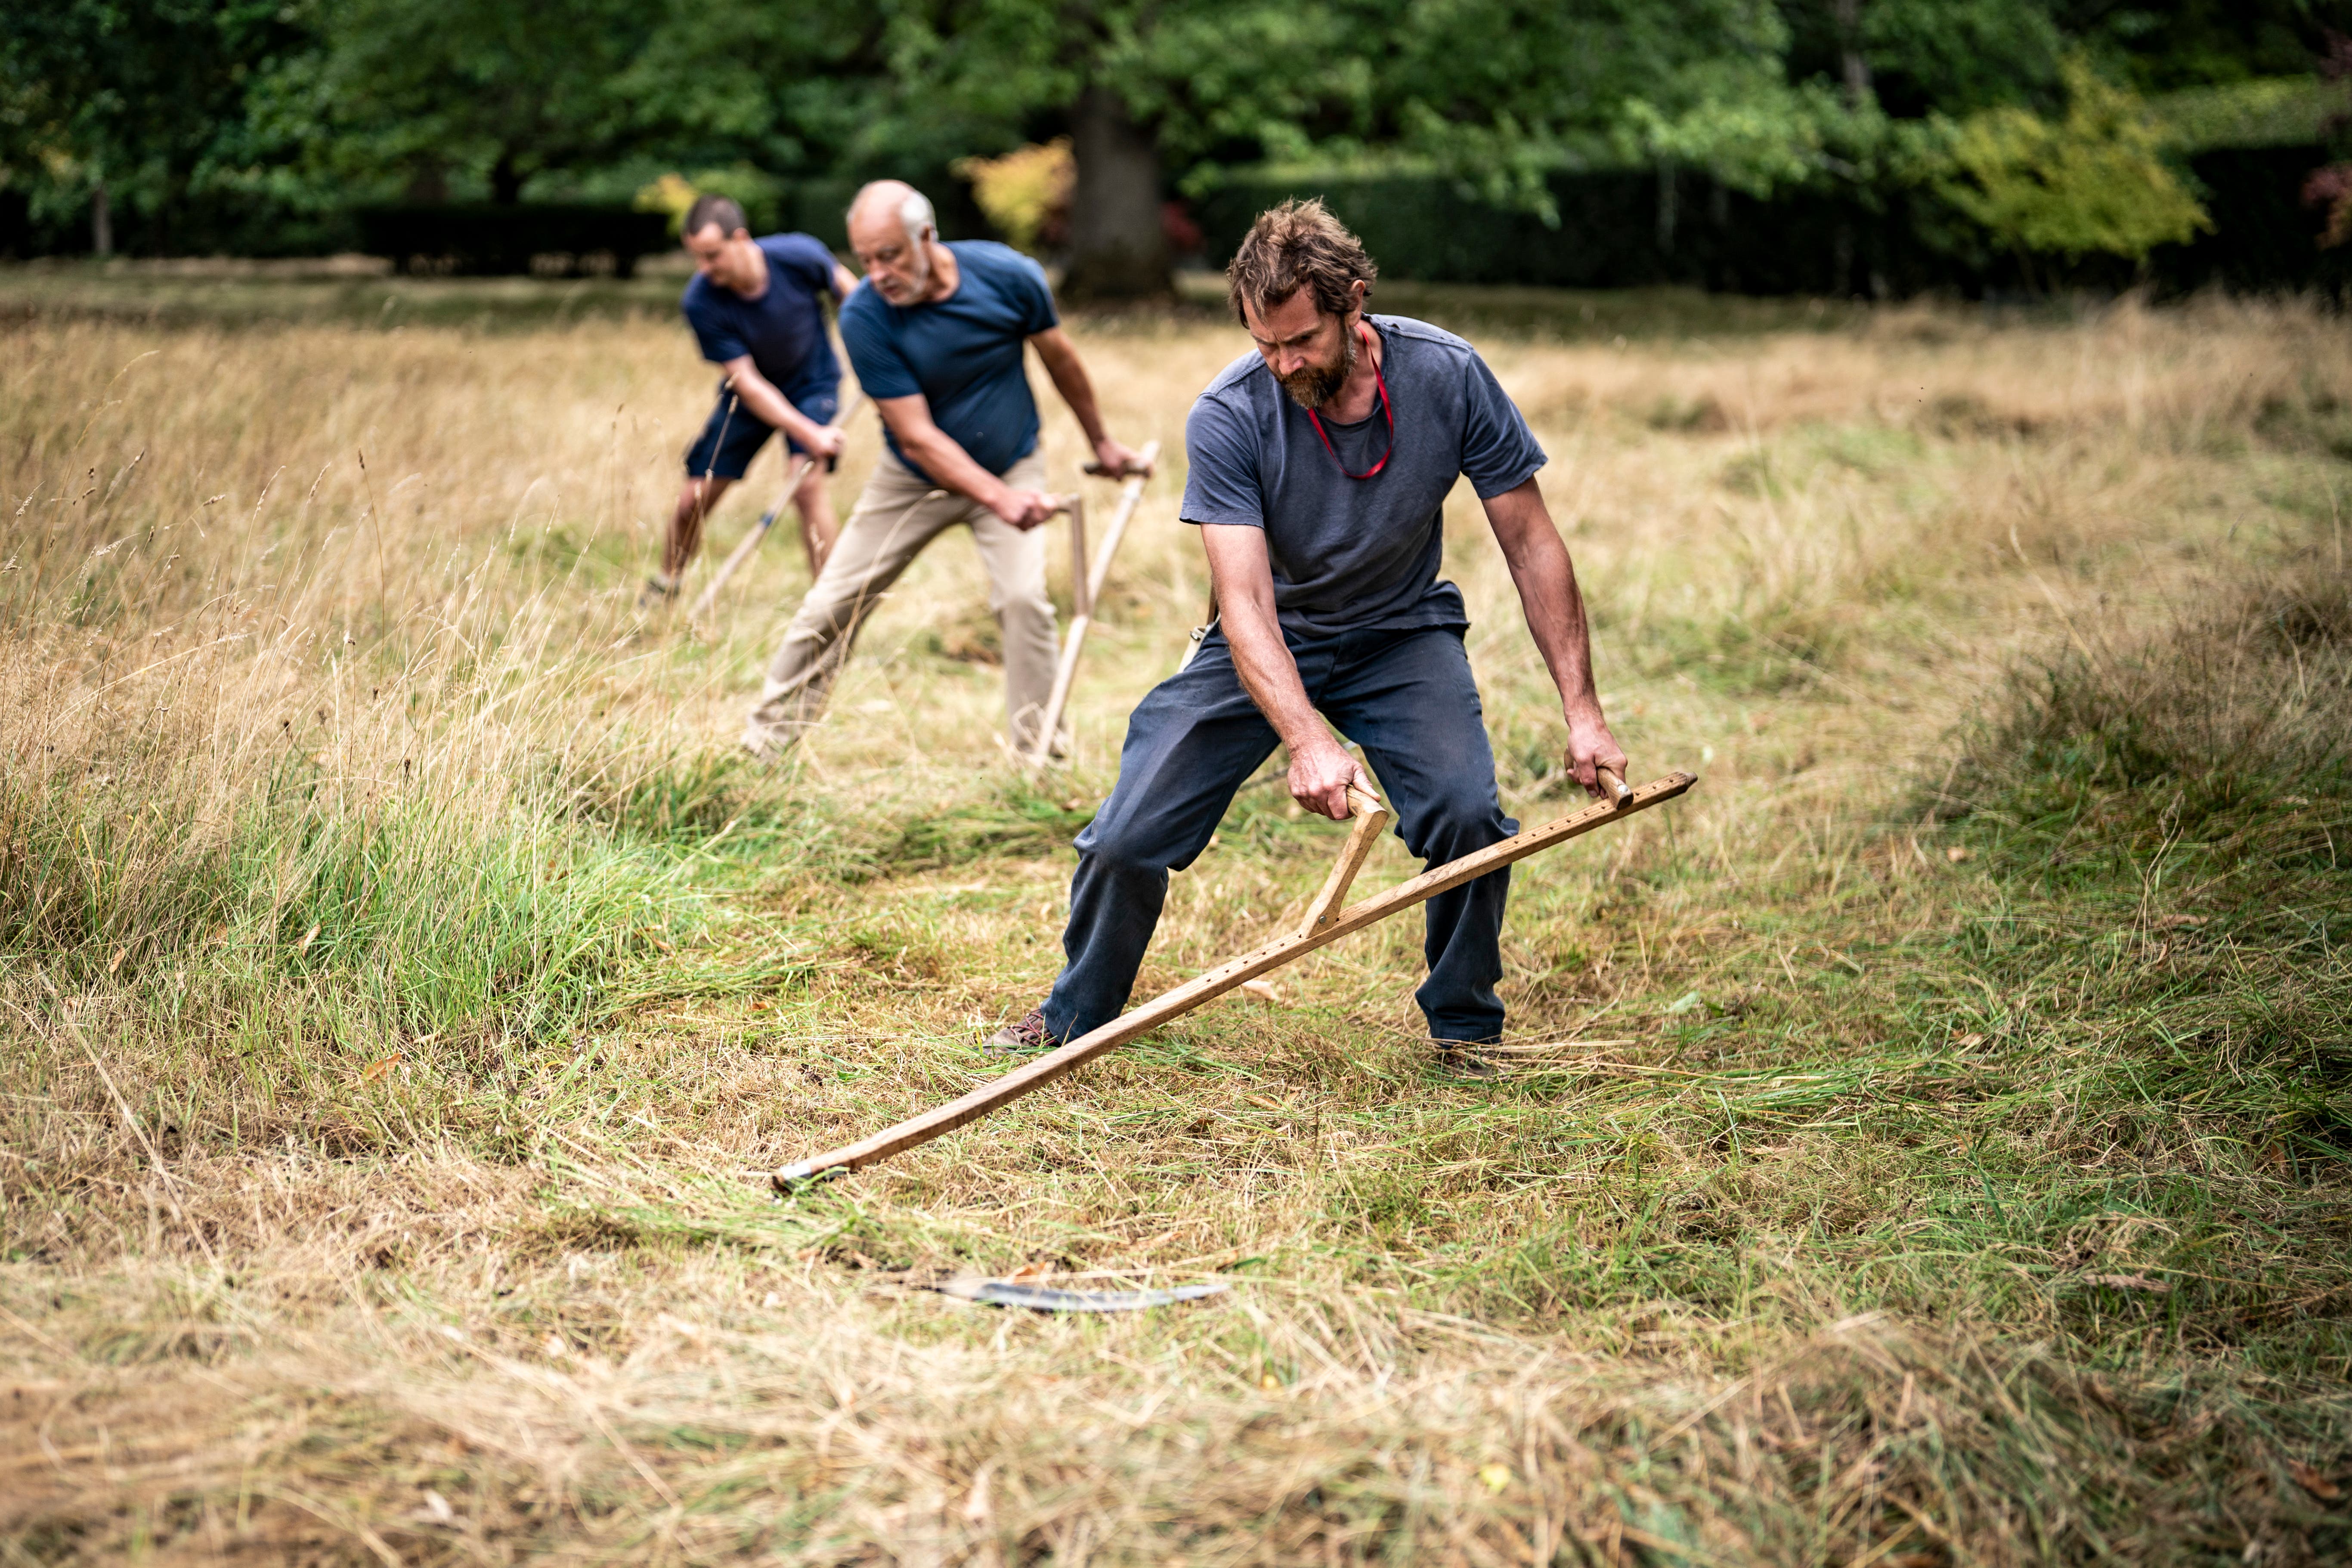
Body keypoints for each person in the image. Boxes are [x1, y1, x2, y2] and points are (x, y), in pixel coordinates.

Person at [992, 200, 1629, 1075]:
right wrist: (1305, 739)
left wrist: (1582, 711)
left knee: (1469, 818)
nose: (1283, 363)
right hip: (1265, 640)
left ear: (1352, 305)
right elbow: (1243, 600)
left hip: (1399, 633)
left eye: (1300, 342)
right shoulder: (1227, 412)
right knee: (1123, 837)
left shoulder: (1446, 374)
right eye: (1264, 344)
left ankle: (1463, 1025)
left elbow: (1529, 539)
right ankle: (1073, 1016)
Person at [743, 180, 1148, 758]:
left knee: (1023, 600)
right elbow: (917, 435)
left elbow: (1059, 357)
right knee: (833, 600)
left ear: (926, 237)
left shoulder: (1008, 275)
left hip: (1012, 462)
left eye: (891, 255)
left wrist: (1103, 443)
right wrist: (998, 500)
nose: (879, 272)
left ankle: (1041, 755)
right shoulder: (863, 315)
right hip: (912, 479)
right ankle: (766, 745)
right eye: (866, 259)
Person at [644, 193, 860, 604]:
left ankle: (830, 607)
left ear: (740, 238)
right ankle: (666, 584)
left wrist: (883, 351)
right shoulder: (701, 301)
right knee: (694, 498)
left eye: (712, 256)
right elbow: (748, 383)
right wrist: (808, 433)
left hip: (814, 384)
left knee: (806, 485)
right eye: (697, 258)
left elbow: (856, 299)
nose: (704, 269)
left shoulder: (798, 255)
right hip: (748, 398)